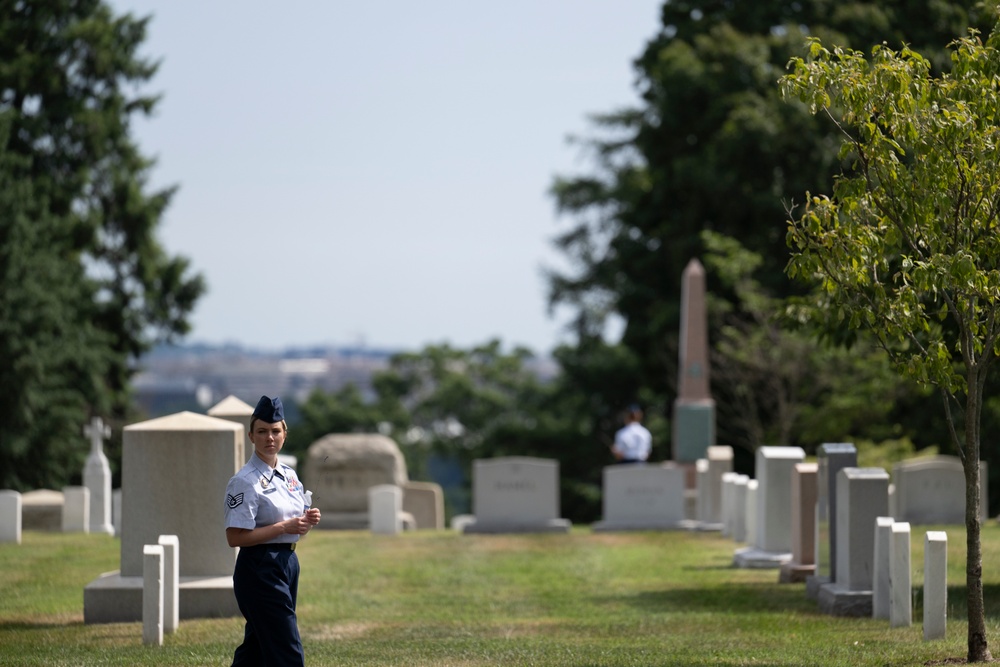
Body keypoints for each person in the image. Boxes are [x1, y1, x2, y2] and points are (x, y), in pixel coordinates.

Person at [224, 395, 321, 667]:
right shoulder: (244, 482)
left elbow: (294, 528)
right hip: (259, 568)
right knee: (286, 649)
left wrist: (305, 522)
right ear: (251, 436)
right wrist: (284, 527)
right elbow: (234, 537)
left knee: (256, 649)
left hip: (288, 563)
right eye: (262, 431)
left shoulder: (289, 475)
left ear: (284, 434)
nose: (270, 437)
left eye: (275, 431)